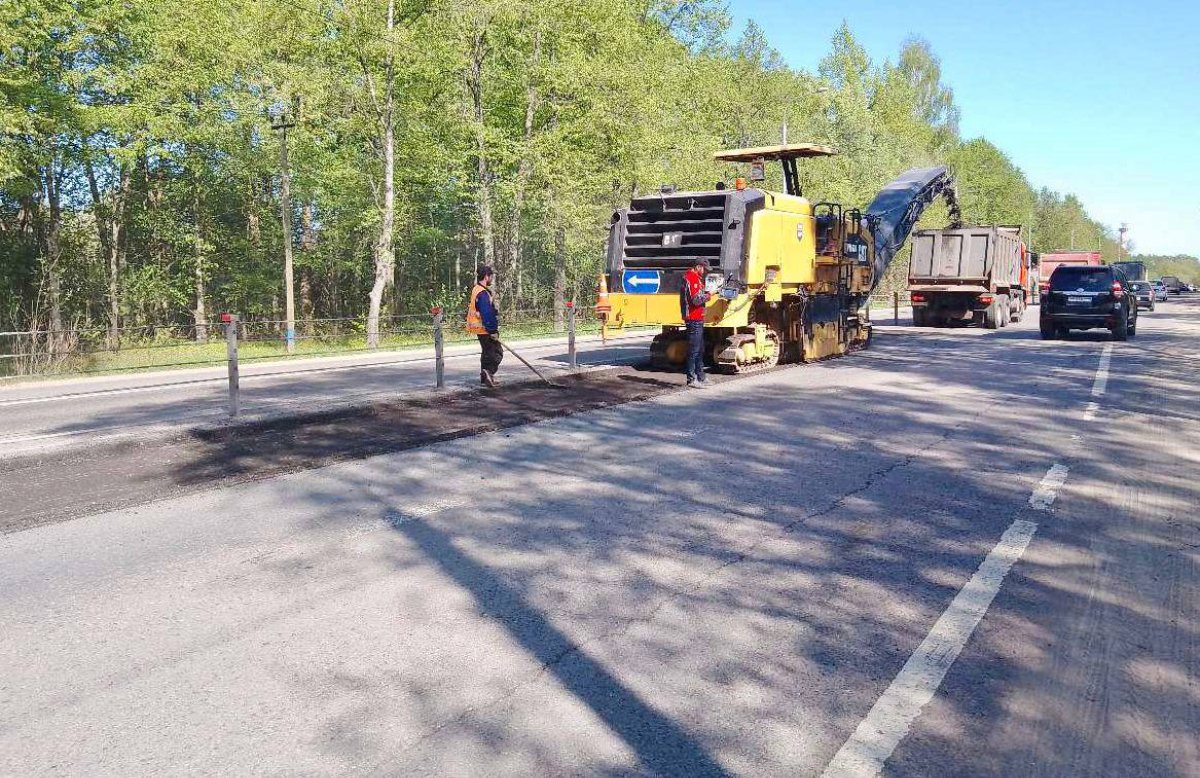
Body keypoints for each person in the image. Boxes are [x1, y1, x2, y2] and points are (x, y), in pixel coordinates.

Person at [466, 265, 502, 387]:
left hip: (479, 328)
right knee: (497, 352)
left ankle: (485, 378)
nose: (491, 279)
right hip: (485, 328)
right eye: (491, 276)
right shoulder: (482, 293)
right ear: (486, 276)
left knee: (486, 353)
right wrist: (492, 330)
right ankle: (489, 372)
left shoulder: (476, 289)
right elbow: (486, 313)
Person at [680, 260, 712, 387]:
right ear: (698, 267)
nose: (705, 272)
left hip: (697, 317)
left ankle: (701, 376)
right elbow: (696, 300)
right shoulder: (692, 278)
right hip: (693, 318)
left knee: (700, 349)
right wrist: (709, 295)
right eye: (704, 269)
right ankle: (691, 379)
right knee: (694, 349)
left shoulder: (695, 278)